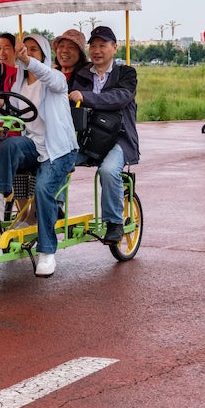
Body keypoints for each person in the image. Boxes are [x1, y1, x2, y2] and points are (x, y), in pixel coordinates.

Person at [0, 34, 78, 277]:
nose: (29, 53)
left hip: (58, 149)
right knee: (9, 145)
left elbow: (46, 74)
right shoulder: (18, 85)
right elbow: (16, 117)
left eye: (34, 50)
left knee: (43, 190)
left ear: (44, 55)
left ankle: (47, 251)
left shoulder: (55, 79)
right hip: (33, 145)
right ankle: (0, 198)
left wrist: (27, 60)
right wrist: (0, 107)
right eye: (26, 49)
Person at [68, 26, 139, 245]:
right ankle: (56, 209)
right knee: (57, 160)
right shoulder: (81, 73)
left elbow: (119, 97)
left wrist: (86, 97)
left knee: (108, 170)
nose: (97, 51)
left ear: (114, 48)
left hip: (118, 137)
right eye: (93, 46)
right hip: (86, 139)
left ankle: (114, 222)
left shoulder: (126, 74)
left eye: (102, 45)